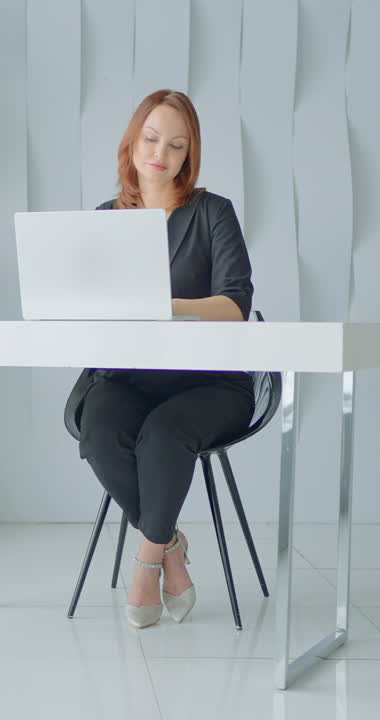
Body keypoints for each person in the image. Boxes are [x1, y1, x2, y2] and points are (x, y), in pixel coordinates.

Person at [75, 89, 256, 629]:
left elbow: (235, 303)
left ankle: (146, 563)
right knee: (98, 432)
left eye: (176, 145)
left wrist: (161, 305)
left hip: (211, 384)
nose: (161, 152)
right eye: (151, 139)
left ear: (188, 155)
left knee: (161, 433)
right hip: (128, 376)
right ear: (132, 143)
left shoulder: (212, 212)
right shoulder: (105, 218)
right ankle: (171, 543)